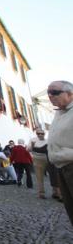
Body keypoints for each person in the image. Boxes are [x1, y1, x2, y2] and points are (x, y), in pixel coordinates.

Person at [46, 80, 73, 225]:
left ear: (69, 93)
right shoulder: (59, 112)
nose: (50, 96)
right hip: (61, 167)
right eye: (48, 93)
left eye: (55, 92)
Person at [28, 129, 49, 198]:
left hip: (47, 159)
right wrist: (32, 145)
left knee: (53, 175)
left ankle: (56, 192)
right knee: (39, 176)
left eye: (42, 133)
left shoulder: (47, 141)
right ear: (36, 134)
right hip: (37, 159)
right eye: (38, 133)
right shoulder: (33, 140)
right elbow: (28, 149)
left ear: (44, 134)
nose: (40, 135)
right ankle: (41, 192)